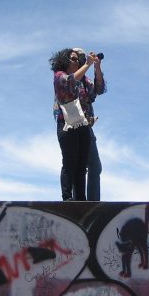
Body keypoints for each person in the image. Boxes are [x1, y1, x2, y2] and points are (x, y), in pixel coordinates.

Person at [52, 47, 103, 201]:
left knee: (85, 166)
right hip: (67, 124)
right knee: (70, 163)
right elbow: (69, 81)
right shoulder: (60, 76)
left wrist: (97, 67)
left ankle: (86, 203)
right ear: (64, 60)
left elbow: (98, 90)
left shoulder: (84, 81)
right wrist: (87, 64)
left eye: (80, 59)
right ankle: (69, 200)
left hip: (84, 126)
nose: (79, 61)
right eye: (75, 59)